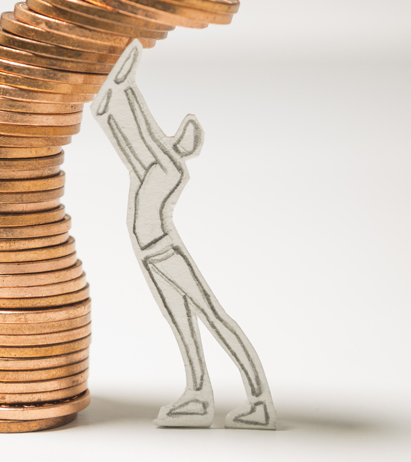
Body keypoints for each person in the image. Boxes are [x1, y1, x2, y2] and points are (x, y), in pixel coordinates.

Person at [91, 41, 275, 429]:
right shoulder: (152, 166)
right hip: (150, 255)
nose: (186, 134)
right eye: (184, 131)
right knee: (184, 325)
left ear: (188, 148)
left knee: (213, 316)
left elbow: (138, 133)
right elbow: (131, 137)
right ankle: (197, 394)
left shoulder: (169, 169)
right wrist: (117, 93)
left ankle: (258, 400)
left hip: (164, 252)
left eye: (190, 135)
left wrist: (124, 88)